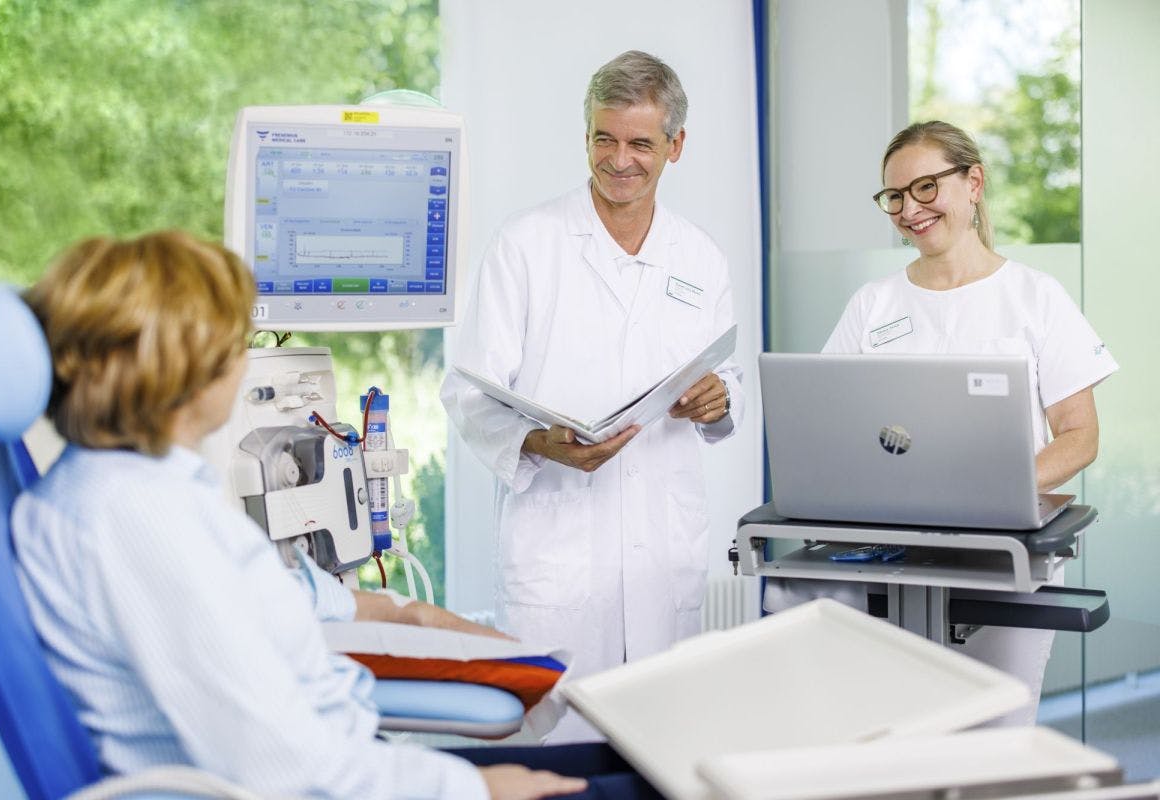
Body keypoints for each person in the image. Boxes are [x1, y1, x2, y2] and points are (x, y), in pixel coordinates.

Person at [13, 230, 663, 799]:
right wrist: (475, 787)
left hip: (346, 763)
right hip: (327, 781)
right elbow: (278, 765)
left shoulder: (136, 490)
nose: (244, 360)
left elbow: (294, 630)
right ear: (184, 367)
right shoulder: (136, 519)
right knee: (667, 785)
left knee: (644, 763)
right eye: (234, 340)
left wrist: (428, 627)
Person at [764, 120, 1118, 726]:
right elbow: (822, 421)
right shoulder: (872, 304)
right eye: (895, 196)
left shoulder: (1036, 297)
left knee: (992, 743)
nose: (910, 209)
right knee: (892, 740)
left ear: (973, 183)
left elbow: (1080, 437)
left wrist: (991, 493)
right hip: (890, 556)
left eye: (926, 187)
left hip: (1004, 556)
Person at [440, 50, 744, 743]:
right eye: (603, 138)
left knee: (663, 743)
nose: (619, 159)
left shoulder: (699, 256)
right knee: (554, 745)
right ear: (585, 137)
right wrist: (537, 443)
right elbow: (468, 390)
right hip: (559, 546)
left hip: (661, 546)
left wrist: (717, 402)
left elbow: (728, 383)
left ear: (676, 145)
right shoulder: (527, 243)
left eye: (640, 142)